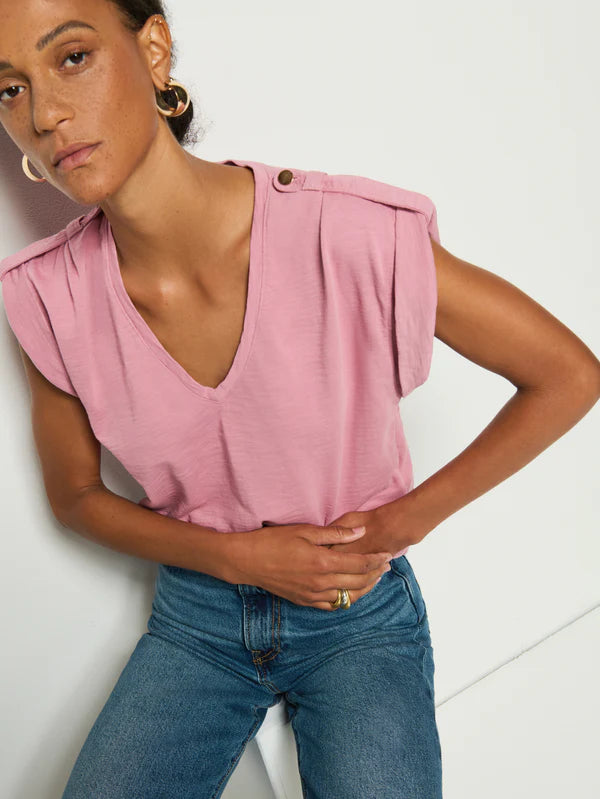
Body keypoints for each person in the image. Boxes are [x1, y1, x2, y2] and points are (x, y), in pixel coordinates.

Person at [0, 1, 598, 797]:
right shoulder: (47, 297)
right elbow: (75, 496)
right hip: (197, 622)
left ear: (153, 48)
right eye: (9, 89)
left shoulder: (342, 234)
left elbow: (568, 374)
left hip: (354, 612)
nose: (44, 115)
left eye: (72, 57)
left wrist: (400, 522)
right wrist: (237, 557)